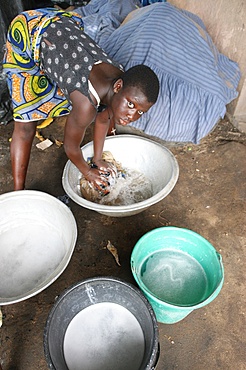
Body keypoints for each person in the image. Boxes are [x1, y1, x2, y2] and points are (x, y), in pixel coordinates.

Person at [3, 7, 159, 192]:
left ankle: (49, 63)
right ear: (118, 87)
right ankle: (18, 192)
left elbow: (104, 117)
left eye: (140, 111)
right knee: (26, 124)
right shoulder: (86, 103)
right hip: (29, 31)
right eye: (131, 105)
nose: (132, 116)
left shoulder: (120, 82)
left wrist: (98, 159)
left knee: (63, 90)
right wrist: (88, 172)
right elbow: (70, 147)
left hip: (60, 32)